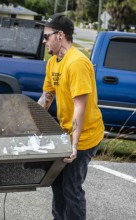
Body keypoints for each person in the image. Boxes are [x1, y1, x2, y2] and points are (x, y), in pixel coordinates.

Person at [36, 14, 104, 220]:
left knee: (71, 187)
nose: (43, 40)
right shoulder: (53, 63)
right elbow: (46, 97)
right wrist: (30, 123)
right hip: (66, 133)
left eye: (47, 36)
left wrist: (74, 145)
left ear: (60, 35)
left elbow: (80, 107)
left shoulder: (77, 63)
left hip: (85, 136)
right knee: (57, 184)